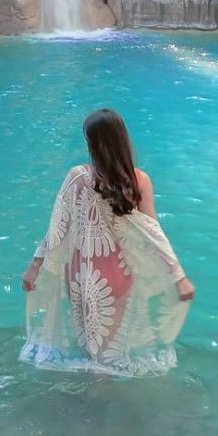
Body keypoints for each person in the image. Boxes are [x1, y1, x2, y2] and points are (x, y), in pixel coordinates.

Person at [20, 108, 195, 375]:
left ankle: (87, 398)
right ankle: (100, 402)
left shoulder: (77, 176)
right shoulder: (139, 181)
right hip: (115, 277)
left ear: (91, 143)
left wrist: (35, 266)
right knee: (107, 352)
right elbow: (153, 234)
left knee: (88, 344)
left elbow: (57, 229)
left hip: (79, 274)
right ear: (122, 140)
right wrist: (177, 276)